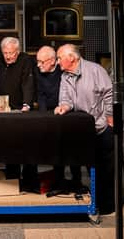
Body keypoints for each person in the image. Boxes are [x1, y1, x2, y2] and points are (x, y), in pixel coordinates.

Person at [54, 44, 114, 215]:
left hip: (103, 127)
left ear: (71, 58)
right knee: (91, 167)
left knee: (106, 169)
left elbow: (109, 93)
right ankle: (96, 203)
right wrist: (64, 107)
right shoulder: (65, 76)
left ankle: (108, 207)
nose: (58, 62)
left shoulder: (95, 70)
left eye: (59, 58)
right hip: (85, 130)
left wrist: (108, 116)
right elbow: (65, 97)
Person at [35, 45, 82, 194]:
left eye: (41, 62)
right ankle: (59, 181)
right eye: (38, 61)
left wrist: (65, 107)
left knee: (73, 149)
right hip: (50, 113)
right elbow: (40, 94)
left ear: (52, 61)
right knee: (56, 150)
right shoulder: (38, 71)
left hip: (68, 113)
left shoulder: (63, 70)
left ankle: (77, 181)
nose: (38, 65)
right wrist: (44, 115)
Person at [0, 37, 38, 191]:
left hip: (23, 110)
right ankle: (12, 184)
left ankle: (30, 184)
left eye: (12, 53)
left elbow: (28, 83)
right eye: (6, 53)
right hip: (5, 111)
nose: (8, 56)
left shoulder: (25, 60)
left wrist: (27, 104)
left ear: (18, 51)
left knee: (28, 149)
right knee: (10, 149)